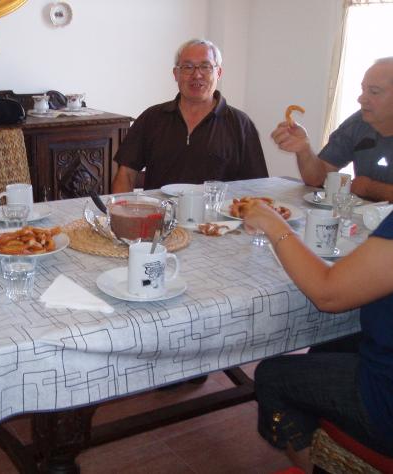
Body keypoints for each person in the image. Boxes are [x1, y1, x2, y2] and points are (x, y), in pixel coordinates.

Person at [242, 200, 393, 470]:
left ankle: (323, 464)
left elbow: (327, 294)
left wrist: (275, 224)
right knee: (332, 343)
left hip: (385, 400)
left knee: (271, 377)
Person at [112, 39, 268, 193]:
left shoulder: (240, 124)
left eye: (205, 66)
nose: (197, 75)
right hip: (159, 210)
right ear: (176, 74)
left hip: (218, 210)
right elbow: (126, 175)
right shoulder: (152, 118)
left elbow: (257, 187)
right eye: (188, 67)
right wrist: (122, 209)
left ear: (218, 73)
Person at [271, 57, 393, 203]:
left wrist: (370, 188)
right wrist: (304, 149)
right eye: (363, 90)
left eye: (374, 92)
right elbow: (318, 179)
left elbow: (364, 187)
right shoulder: (358, 124)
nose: (361, 99)